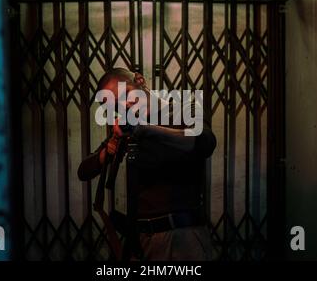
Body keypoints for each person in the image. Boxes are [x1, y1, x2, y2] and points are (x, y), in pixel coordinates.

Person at [78, 68, 217, 260]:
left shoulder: (184, 109)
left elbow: (205, 142)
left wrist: (146, 130)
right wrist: (108, 151)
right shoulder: (128, 127)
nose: (125, 104)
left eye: (126, 94)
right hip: (142, 240)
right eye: (116, 105)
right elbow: (83, 171)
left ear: (140, 80)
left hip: (183, 236)